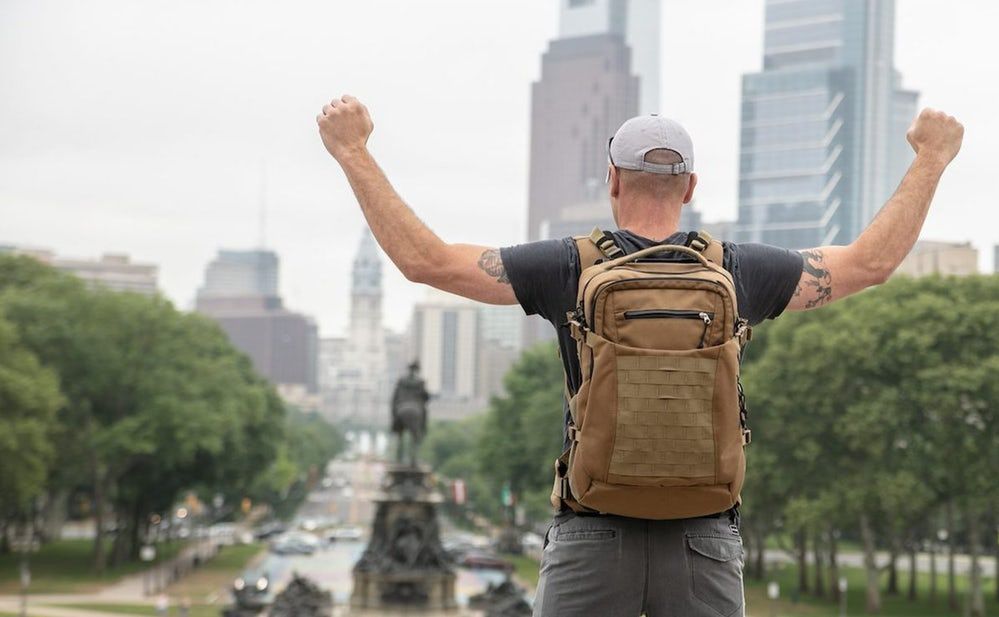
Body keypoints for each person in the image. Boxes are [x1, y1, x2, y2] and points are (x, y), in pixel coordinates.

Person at [316, 96, 963, 616]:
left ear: (612, 180)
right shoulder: (738, 270)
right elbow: (869, 264)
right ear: (688, 188)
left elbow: (425, 261)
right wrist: (930, 158)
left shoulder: (568, 265)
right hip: (703, 535)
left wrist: (352, 152)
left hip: (590, 531)